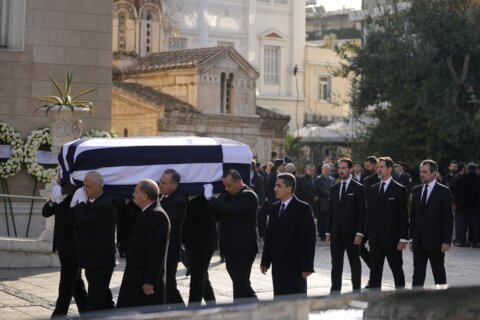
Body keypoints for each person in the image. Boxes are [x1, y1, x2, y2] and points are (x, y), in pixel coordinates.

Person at [204, 169, 258, 302]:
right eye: (224, 186)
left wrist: (211, 199)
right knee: (243, 285)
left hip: (244, 249)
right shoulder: (228, 196)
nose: (226, 188)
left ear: (238, 182)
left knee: (239, 286)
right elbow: (217, 216)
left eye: (228, 185)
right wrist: (211, 201)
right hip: (230, 248)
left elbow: (230, 209)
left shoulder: (249, 195)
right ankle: (259, 310)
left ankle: (239, 313)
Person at [117, 179, 171, 307]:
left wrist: (150, 282)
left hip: (144, 282)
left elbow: (157, 252)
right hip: (136, 277)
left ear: (145, 195)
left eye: (136, 191)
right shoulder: (146, 212)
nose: (133, 194)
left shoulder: (158, 215)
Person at [260, 173, 316, 296]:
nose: (275, 189)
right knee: (280, 301)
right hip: (278, 264)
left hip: (296, 266)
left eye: (278, 186)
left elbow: (309, 240)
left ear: (289, 189)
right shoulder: (274, 208)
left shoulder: (303, 209)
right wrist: (265, 260)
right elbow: (270, 237)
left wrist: (307, 266)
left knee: (296, 303)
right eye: (275, 185)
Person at [42, 178, 88, 318]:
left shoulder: (76, 198)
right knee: (76, 281)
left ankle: (59, 314)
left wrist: (61, 199)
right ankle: (87, 312)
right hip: (63, 245)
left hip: (73, 246)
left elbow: (74, 219)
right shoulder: (59, 197)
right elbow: (45, 212)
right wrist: (52, 200)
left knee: (67, 282)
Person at [70, 171, 115, 311]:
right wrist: (74, 205)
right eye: (84, 186)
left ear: (99, 186)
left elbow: (84, 222)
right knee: (103, 297)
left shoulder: (105, 204)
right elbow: (76, 222)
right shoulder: (91, 202)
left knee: (96, 300)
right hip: (91, 260)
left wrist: (81, 204)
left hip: (101, 261)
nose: (85, 189)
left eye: (88, 186)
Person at [366, 157, 409, 290]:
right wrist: (368, 236)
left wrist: (403, 238)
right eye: (377, 167)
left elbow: (403, 216)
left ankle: (401, 298)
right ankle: (374, 302)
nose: (378, 169)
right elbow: (371, 215)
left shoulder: (399, 189)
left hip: (393, 240)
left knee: (396, 270)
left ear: (389, 169)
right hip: (376, 240)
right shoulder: (373, 188)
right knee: (375, 272)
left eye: (381, 167)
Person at [410, 160, 453, 288]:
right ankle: (415, 300)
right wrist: (412, 238)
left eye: (425, 172)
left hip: (436, 241)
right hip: (419, 241)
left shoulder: (443, 191)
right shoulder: (416, 191)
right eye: (420, 172)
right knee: (418, 273)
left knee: (438, 273)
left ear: (434, 173)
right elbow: (413, 217)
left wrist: (446, 241)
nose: (421, 174)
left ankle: (442, 300)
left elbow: (448, 218)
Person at [326, 158, 366, 294]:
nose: (341, 170)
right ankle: (335, 292)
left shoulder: (359, 188)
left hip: (352, 234)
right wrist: (328, 232)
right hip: (336, 234)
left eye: (344, 168)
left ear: (350, 170)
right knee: (336, 265)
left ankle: (356, 290)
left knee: (354, 263)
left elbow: (362, 212)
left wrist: (360, 233)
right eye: (339, 168)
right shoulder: (334, 188)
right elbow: (331, 211)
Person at [158, 169, 187, 306]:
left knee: (167, 286)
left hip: (170, 251)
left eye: (164, 183)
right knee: (170, 286)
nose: (160, 185)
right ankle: (183, 313)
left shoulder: (178, 201)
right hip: (163, 250)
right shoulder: (162, 198)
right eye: (160, 182)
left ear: (174, 185)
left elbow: (163, 221)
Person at [183, 195, 217, 307]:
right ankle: (211, 304)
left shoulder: (203, 201)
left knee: (197, 279)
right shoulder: (187, 200)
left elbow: (209, 219)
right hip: (191, 245)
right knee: (201, 276)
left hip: (202, 245)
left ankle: (193, 310)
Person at [452, 163, 480, 247]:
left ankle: (461, 241)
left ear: (467, 169)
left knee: (462, 224)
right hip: (476, 206)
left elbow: (455, 191)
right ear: (475, 170)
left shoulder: (461, 179)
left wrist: (455, 203)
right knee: (476, 225)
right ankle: (475, 242)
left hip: (462, 205)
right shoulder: (478, 179)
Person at [315, 163, 335, 240]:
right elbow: (321, 189)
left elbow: (334, 189)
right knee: (322, 220)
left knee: (329, 219)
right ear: (322, 170)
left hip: (331, 203)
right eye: (325, 169)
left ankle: (329, 234)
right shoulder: (318, 179)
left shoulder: (332, 179)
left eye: (328, 169)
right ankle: (322, 235)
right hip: (322, 202)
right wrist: (331, 195)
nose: (326, 171)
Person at [250, 160, 266, 239]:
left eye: (252, 164)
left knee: (258, 220)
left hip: (256, 201)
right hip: (246, 201)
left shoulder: (259, 177)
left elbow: (261, 191)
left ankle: (258, 234)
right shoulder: (244, 175)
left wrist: (261, 203)